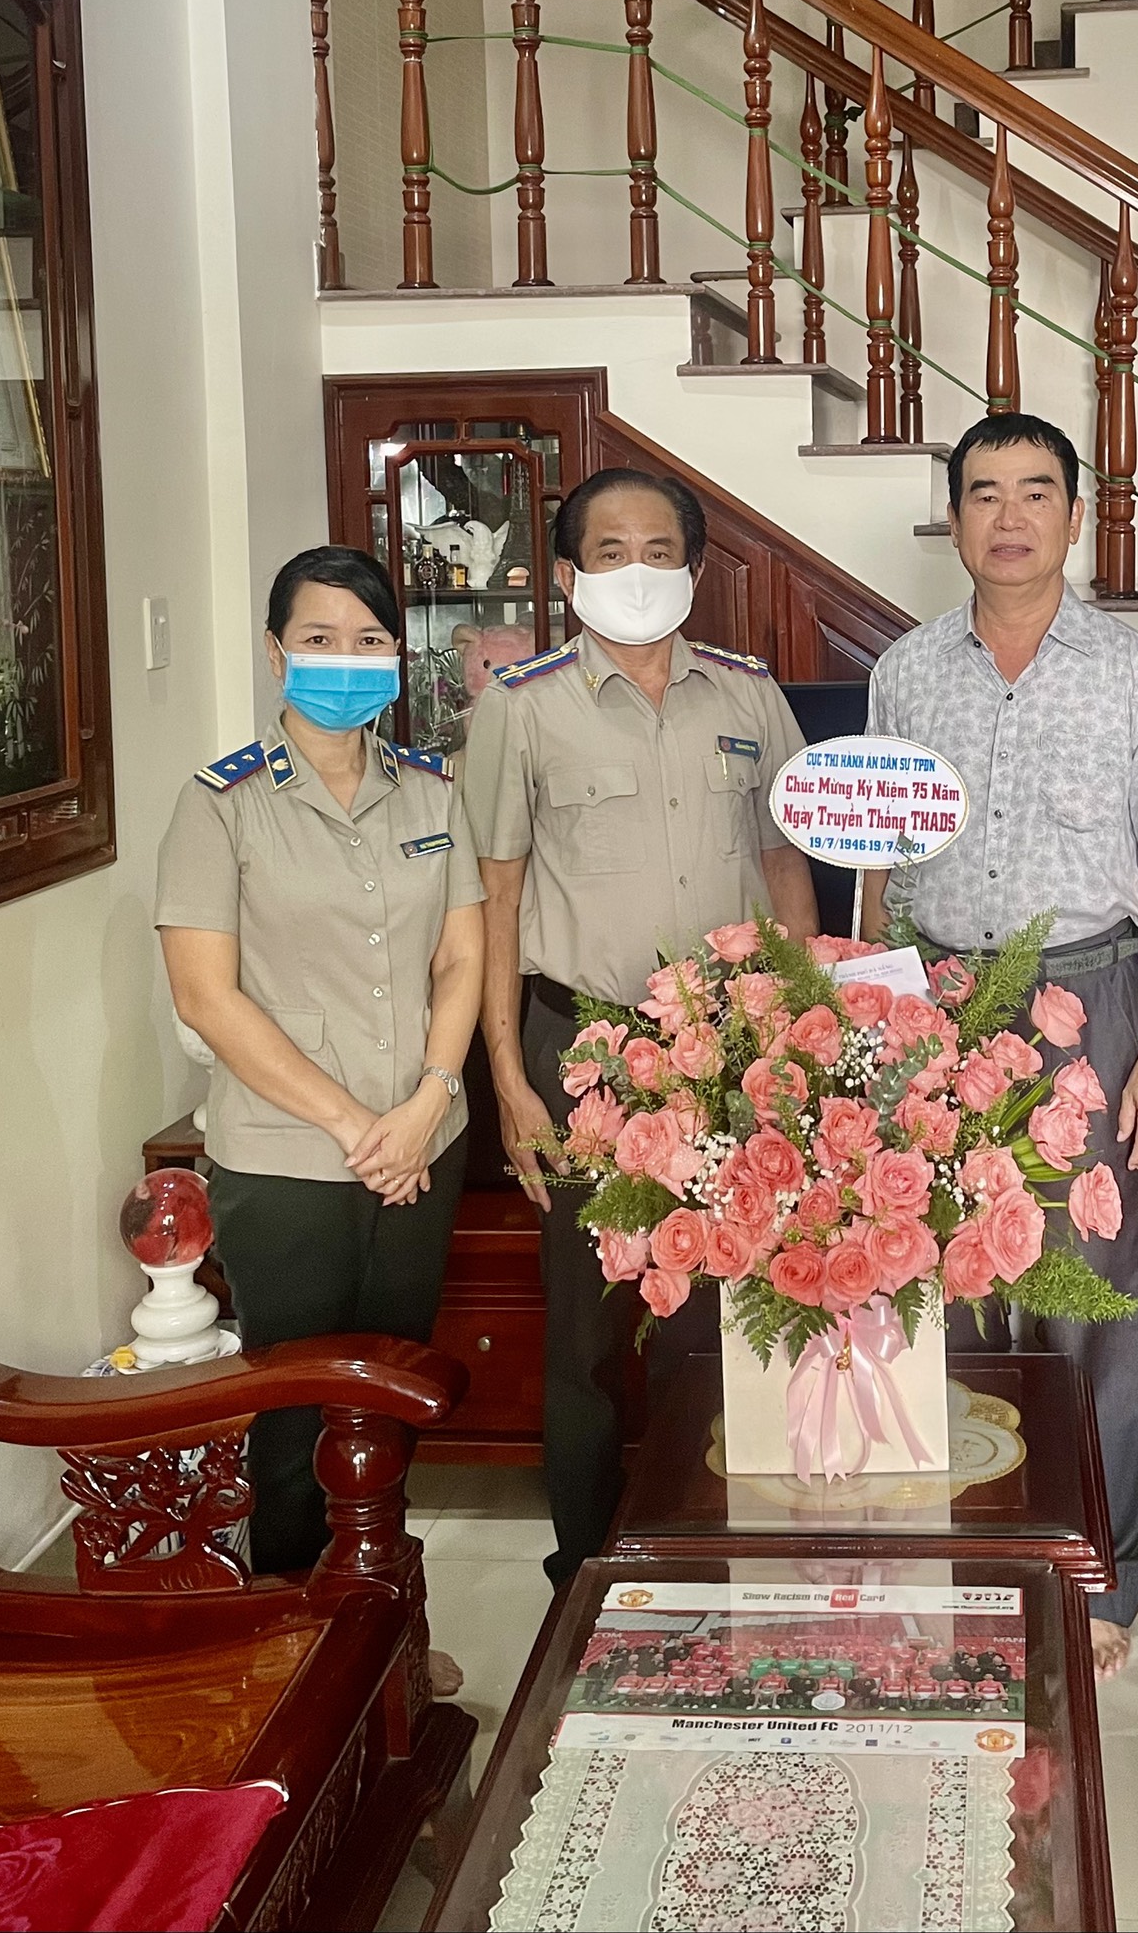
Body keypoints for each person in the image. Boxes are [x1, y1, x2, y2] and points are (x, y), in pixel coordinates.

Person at [860, 412, 1138, 1678]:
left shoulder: (1132, 674)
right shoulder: (905, 672)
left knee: (1091, 1290)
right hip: (939, 1001)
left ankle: (1100, 1576)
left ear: (1074, 514)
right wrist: (874, 1016)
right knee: (944, 1276)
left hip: (1089, 999)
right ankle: (978, 1552)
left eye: (1036, 492)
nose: (1009, 517)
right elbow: (876, 861)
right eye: (985, 492)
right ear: (954, 517)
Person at [460, 467, 821, 1583]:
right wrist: (508, 1079)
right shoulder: (521, 707)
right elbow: (494, 897)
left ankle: (694, 1541)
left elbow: (785, 863)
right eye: (609, 551)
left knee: (710, 1309)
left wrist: (807, 1028)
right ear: (568, 575)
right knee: (586, 1324)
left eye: (659, 551)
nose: (636, 571)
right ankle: (585, 1564)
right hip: (579, 1048)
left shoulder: (747, 697)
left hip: (729, 1051)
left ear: (695, 569)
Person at [155, 545, 485, 1576]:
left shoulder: (431, 791)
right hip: (288, 1159)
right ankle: (297, 1627)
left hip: (421, 1147)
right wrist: (358, 1128)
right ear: (276, 652)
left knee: (393, 1391)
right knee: (295, 1420)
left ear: (397, 655)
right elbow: (206, 996)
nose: (346, 658)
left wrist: (427, 1102)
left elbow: (461, 957)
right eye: (319, 638)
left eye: (369, 639)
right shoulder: (221, 803)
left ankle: (378, 1611)